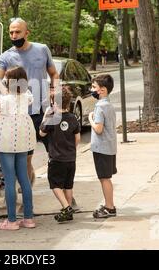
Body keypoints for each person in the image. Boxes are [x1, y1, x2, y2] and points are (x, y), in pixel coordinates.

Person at [0, 18, 59, 188]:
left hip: (42, 112)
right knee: (25, 160)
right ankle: (26, 197)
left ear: (27, 33)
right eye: (11, 32)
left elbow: (54, 73)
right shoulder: (7, 56)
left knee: (57, 155)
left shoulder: (42, 49)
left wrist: (55, 91)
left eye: (17, 32)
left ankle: (63, 190)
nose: (14, 35)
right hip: (20, 115)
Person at [0, 67, 37, 230]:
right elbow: (9, 91)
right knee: (24, 178)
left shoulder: (4, 100)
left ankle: (12, 221)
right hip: (23, 137)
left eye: (7, 79)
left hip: (7, 138)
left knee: (9, 180)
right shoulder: (26, 96)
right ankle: (28, 219)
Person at [39, 86, 81, 222]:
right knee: (68, 185)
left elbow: (41, 133)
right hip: (70, 158)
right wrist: (71, 150)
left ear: (55, 103)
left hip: (56, 158)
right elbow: (77, 138)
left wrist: (46, 116)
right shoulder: (73, 118)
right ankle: (68, 210)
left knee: (55, 184)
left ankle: (66, 207)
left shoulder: (52, 118)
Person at [88, 74, 117, 218]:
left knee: (104, 178)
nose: (91, 89)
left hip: (101, 148)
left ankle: (109, 207)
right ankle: (109, 204)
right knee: (106, 177)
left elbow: (98, 129)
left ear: (103, 90)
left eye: (94, 87)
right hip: (109, 147)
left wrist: (90, 119)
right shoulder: (109, 105)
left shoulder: (100, 107)